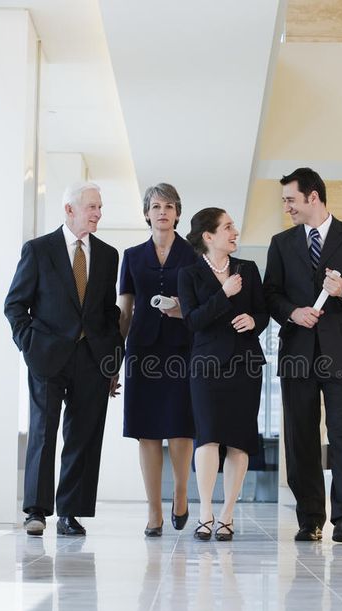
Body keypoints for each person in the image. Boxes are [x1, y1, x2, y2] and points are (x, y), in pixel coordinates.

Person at [263, 168, 342, 543]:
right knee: (301, 437)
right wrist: (293, 312)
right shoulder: (281, 243)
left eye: (290, 200)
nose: (286, 207)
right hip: (298, 350)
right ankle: (310, 518)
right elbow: (270, 295)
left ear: (313, 197)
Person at [4, 181, 124, 537]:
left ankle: (71, 512)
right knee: (43, 432)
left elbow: (108, 311)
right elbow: (15, 305)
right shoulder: (39, 250)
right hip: (47, 357)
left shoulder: (107, 254)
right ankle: (37, 511)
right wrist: (29, 345)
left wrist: (111, 360)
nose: (98, 213)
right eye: (92, 207)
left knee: (84, 436)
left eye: (100, 207)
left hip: (92, 358)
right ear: (69, 210)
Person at [178, 208, 269, 541]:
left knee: (239, 439)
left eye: (234, 226)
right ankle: (205, 512)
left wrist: (255, 321)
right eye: (228, 227)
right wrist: (224, 294)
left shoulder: (249, 269)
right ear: (208, 236)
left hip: (245, 364)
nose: (235, 232)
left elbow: (263, 311)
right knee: (208, 436)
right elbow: (192, 320)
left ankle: (228, 514)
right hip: (205, 366)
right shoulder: (188, 275)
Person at [118, 183, 196, 536]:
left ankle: (180, 494)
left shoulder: (193, 255)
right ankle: (153, 512)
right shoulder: (132, 256)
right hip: (142, 350)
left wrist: (182, 310)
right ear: (147, 213)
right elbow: (125, 311)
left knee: (181, 427)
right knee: (146, 431)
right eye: (155, 206)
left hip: (182, 348)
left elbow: (201, 304)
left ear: (177, 213)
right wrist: (113, 360)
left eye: (168, 205)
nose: (162, 211)